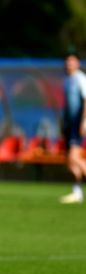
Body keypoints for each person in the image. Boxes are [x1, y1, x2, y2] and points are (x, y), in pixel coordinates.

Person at [59, 52, 86, 204]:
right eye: (67, 61)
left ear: (78, 63)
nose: (69, 64)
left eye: (72, 61)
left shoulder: (81, 79)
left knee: (74, 158)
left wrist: (83, 122)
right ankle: (77, 192)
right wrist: (63, 124)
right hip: (70, 124)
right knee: (69, 161)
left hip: (78, 123)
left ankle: (77, 191)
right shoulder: (68, 80)